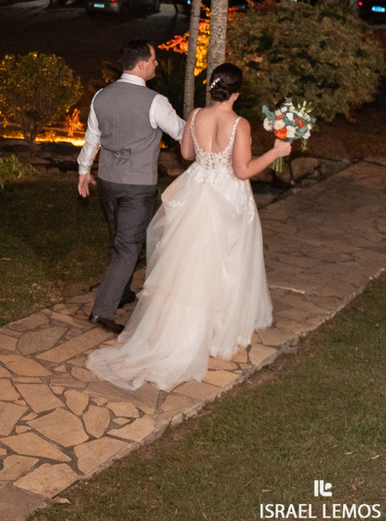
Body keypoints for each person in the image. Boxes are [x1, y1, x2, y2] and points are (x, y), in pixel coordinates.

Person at [86, 63, 292, 390]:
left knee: (188, 264)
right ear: (236, 93)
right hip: (226, 196)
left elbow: (186, 153)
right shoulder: (239, 124)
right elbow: (242, 170)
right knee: (223, 264)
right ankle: (211, 333)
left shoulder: (196, 115)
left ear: (212, 89)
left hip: (196, 189)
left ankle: (182, 326)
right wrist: (276, 151)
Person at [77, 40, 186, 334]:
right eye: (153, 59)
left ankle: (122, 291)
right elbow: (181, 132)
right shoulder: (155, 102)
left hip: (108, 182)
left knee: (119, 241)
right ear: (140, 64)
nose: (156, 64)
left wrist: (84, 171)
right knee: (127, 248)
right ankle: (102, 311)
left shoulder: (102, 95)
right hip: (137, 186)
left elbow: (91, 137)